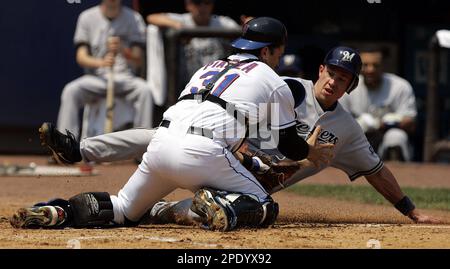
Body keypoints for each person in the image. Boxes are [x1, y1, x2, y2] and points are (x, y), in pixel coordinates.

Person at [34, 47, 440, 226]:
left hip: (234, 178)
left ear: (351, 87)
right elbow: (240, 121)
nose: (336, 82)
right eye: (332, 73)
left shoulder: (347, 129)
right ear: (320, 71)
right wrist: (255, 152)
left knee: (167, 210)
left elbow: (375, 168)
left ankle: (151, 210)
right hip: (225, 156)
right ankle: (79, 147)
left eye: (345, 79)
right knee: (164, 132)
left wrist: (410, 210)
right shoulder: (283, 87)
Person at [12, 17, 334, 232]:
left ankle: (60, 211)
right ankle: (221, 206)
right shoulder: (272, 79)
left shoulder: (210, 66)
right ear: (266, 50)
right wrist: (310, 153)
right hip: (204, 153)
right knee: (264, 206)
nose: (279, 58)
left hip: (161, 144)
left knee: (124, 208)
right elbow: (288, 144)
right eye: (278, 52)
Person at [56, 0, 154, 140]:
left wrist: (123, 50)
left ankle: (142, 146)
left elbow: (138, 60)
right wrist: (101, 63)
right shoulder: (87, 17)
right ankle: (65, 144)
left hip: (125, 79)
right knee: (71, 91)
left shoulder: (134, 18)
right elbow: (81, 57)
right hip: (97, 79)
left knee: (145, 91)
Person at [339, 46, 417, 162]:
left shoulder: (400, 86)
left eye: (376, 65)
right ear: (359, 67)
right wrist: (357, 125)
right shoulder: (348, 85)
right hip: (357, 138)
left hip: (385, 136)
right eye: (366, 65)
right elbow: (337, 121)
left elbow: (411, 122)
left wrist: (384, 123)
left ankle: (397, 175)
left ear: (383, 66)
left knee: (396, 137)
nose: (371, 69)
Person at [146, 0, 240, 85]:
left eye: (207, 3)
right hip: (187, 85)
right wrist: (178, 26)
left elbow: (243, 33)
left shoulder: (222, 22)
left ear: (212, 5)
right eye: (197, 3)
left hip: (217, 84)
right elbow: (152, 17)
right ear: (188, 4)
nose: (202, 7)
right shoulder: (183, 20)